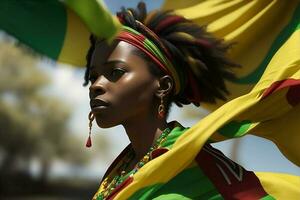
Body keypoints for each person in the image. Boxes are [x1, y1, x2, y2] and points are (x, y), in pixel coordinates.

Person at [84, 2, 299, 200]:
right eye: (93, 76)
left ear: (163, 86)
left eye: (116, 71)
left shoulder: (196, 162)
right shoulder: (121, 168)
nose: (96, 85)